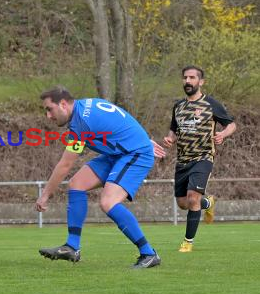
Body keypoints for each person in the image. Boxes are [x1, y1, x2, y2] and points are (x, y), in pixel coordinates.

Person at [36, 86, 166, 268]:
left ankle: (148, 253)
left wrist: (45, 195)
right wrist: (140, 136)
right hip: (119, 153)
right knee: (77, 184)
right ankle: (72, 247)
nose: (48, 116)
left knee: (108, 202)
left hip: (135, 153)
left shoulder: (81, 123)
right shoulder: (86, 105)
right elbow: (119, 117)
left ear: (63, 104)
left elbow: (65, 164)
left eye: (49, 109)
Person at [162, 66, 236, 253]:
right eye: (185, 77)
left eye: (192, 78)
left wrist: (223, 134)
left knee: (193, 197)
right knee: (183, 203)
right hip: (182, 159)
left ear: (200, 82)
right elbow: (174, 128)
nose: (188, 81)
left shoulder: (211, 104)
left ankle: (188, 242)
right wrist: (170, 138)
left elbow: (231, 124)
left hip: (203, 157)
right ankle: (208, 203)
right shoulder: (178, 106)